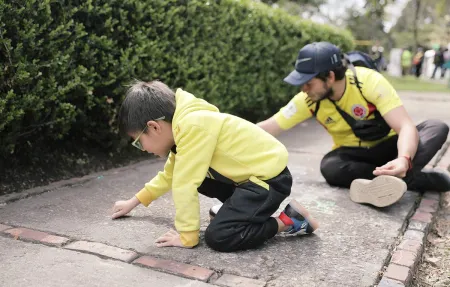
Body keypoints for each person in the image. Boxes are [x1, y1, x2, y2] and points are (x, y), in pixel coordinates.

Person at [111, 80, 319, 252]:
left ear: (154, 127)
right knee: (193, 175)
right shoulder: (183, 127)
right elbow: (170, 175)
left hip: (268, 182)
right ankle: (238, 211)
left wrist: (187, 236)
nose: (142, 148)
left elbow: (184, 184)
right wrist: (133, 202)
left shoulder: (192, 126)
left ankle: (289, 220)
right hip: (251, 179)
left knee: (220, 236)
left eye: (138, 141)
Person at [258, 42, 450, 207]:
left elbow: (405, 127)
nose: (303, 89)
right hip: (354, 157)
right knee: (330, 167)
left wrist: (404, 159)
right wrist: (230, 129)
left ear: (330, 77)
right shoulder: (308, 100)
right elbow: (270, 126)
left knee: (436, 127)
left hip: (389, 146)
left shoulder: (368, 81)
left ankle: (394, 178)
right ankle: (410, 180)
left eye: (308, 83)